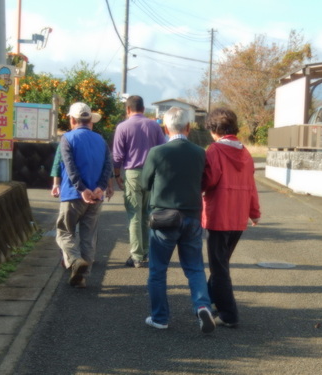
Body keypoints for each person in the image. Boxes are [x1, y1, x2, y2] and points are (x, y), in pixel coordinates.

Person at [141, 106, 215, 333]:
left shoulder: (157, 152)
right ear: (189, 127)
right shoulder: (200, 153)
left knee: (158, 270)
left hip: (164, 218)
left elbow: (144, 184)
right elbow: (206, 181)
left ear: (165, 127)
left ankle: (160, 318)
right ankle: (202, 305)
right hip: (192, 215)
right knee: (194, 268)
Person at [202, 107, 261, 328]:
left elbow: (209, 180)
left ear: (214, 129)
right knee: (221, 264)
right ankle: (206, 302)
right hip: (238, 217)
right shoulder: (245, 152)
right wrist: (254, 213)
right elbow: (251, 186)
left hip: (218, 215)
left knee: (219, 268)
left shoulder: (215, 150)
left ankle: (229, 313)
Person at [55, 102, 112, 288]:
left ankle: (75, 259)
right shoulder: (101, 140)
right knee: (88, 237)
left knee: (64, 232)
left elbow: (70, 167)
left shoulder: (67, 138)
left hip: (72, 195)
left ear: (72, 120)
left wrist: (81, 189)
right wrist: (99, 188)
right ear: (91, 122)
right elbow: (107, 166)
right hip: (96, 197)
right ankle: (83, 276)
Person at [112, 95, 166, 268]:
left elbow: (118, 155)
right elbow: (162, 150)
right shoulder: (155, 126)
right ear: (143, 108)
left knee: (134, 214)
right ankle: (145, 252)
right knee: (147, 214)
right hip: (153, 174)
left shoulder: (123, 127)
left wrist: (117, 174)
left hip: (133, 173)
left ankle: (136, 256)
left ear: (128, 109)